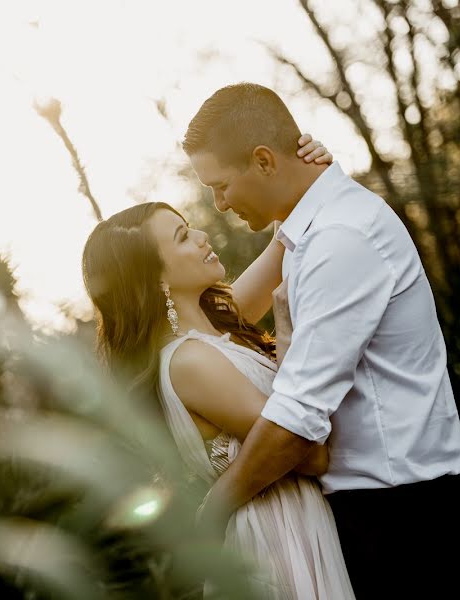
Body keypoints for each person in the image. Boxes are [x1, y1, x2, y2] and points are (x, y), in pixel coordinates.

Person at [185, 82, 460, 597]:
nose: (219, 204)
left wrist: (214, 511)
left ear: (264, 161)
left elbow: (298, 421)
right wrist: (303, 194)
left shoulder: (340, 237)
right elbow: (231, 318)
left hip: (403, 518)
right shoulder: (311, 230)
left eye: (222, 185)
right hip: (381, 511)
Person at [82, 136, 356, 598]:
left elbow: (284, 243)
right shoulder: (191, 362)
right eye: (183, 237)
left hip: (295, 521)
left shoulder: (215, 330)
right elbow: (312, 452)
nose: (203, 235)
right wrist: (286, 331)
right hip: (275, 537)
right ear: (157, 279)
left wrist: (303, 171)